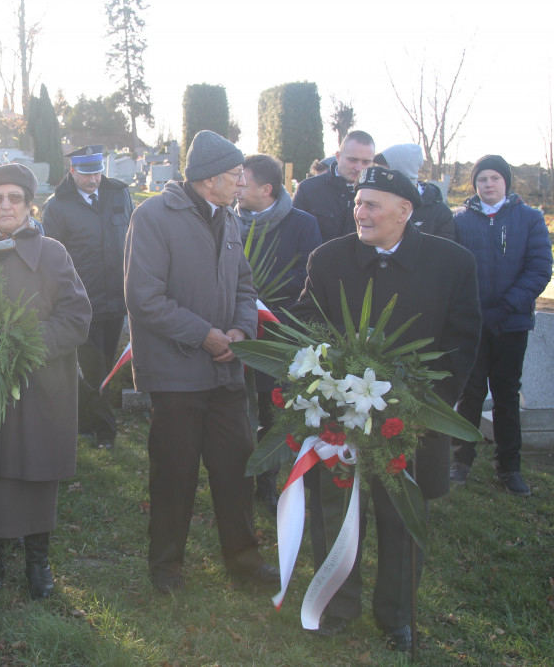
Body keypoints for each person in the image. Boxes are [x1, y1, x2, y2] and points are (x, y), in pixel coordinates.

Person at [295, 166, 481, 651]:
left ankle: (397, 614)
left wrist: (427, 406)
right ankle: (336, 602)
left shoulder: (452, 263)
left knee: (401, 516)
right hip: (340, 417)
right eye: (358, 202)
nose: (361, 211)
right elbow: (309, 323)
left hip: (410, 421)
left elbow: (462, 340)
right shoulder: (328, 258)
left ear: (405, 211)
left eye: (373, 204)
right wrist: (329, 386)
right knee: (333, 511)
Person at [124, 130, 277, 595]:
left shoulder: (229, 218)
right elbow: (143, 298)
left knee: (236, 469)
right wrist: (204, 336)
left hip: (226, 372)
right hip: (177, 374)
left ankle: (244, 562)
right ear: (210, 179)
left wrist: (239, 332)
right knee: (174, 473)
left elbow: (246, 288)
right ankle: (166, 567)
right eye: (236, 175)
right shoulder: (153, 217)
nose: (242, 184)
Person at [0, 163, 91, 598]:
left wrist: (22, 346)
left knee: (34, 469)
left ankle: (38, 562)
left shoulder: (52, 252)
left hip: (38, 383)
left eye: (15, 198)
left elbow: (76, 316)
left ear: (30, 204)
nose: (6, 205)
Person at [451, 155, 553, 496]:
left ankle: (509, 467)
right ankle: (460, 460)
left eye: (495, 178)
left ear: (507, 182)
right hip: (474, 324)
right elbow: (454, 271)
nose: (488, 184)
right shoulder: (461, 221)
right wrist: (476, 313)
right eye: (482, 178)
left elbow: (539, 268)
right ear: (474, 184)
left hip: (511, 324)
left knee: (507, 395)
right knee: (471, 392)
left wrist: (506, 307)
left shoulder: (530, 219)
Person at [234, 154, 322, 511]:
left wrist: (264, 299)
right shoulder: (226, 220)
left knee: (272, 409)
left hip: (278, 330)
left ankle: (267, 481)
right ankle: (235, 474)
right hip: (234, 329)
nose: (237, 187)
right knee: (236, 407)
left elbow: (310, 272)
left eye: (244, 181)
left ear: (266, 189)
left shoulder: (302, 224)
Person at [42, 144, 134, 448]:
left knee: (105, 365)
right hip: (81, 302)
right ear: (72, 172)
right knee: (92, 368)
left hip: (116, 298)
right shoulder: (58, 206)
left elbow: (133, 237)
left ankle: (84, 422)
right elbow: (52, 255)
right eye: (86, 174)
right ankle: (105, 431)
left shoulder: (119, 194)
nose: (93, 180)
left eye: (97, 172)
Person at [294, 131, 375, 242]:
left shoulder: (378, 195)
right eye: (353, 160)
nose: (358, 168)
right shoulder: (308, 189)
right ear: (338, 156)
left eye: (365, 162)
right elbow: (293, 235)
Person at [379, 144, 455, 240]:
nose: (379, 176)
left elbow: (445, 252)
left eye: (385, 171)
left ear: (404, 171)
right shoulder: (372, 204)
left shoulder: (440, 213)